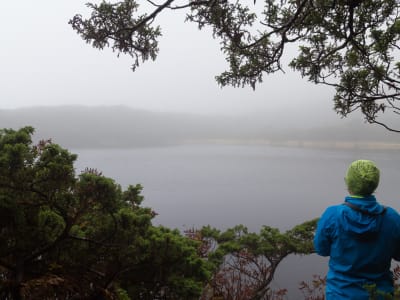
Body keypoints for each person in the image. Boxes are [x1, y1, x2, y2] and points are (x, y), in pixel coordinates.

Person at [314, 159, 400, 299]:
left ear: (348, 182)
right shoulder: (392, 218)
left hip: (340, 294)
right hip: (379, 294)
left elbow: (321, 249)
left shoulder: (333, 215)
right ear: (375, 184)